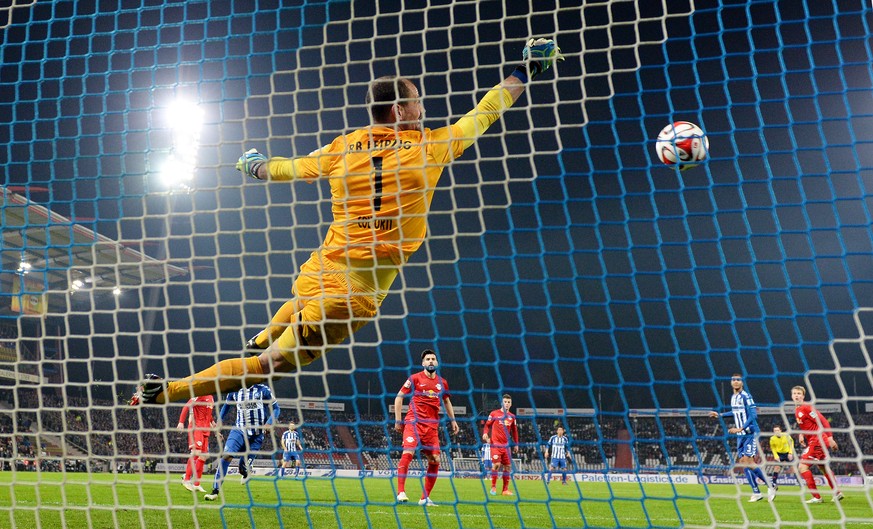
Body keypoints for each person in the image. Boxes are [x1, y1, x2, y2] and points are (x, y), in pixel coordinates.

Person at [129, 38, 564, 405]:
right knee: (268, 369)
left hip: (322, 266)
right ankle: (169, 391)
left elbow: (293, 168)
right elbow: (485, 112)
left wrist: (258, 167)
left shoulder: (343, 147)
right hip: (354, 292)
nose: (422, 106)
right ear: (398, 110)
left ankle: (264, 334)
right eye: (416, 101)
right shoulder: (431, 148)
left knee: (295, 307)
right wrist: (525, 70)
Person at [393, 349, 459, 507]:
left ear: (437, 363)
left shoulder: (442, 383)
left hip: (431, 427)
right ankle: (400, 492)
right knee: (408, 452)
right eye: (428, 359)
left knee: (435, 460)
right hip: (413, 422)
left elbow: (447, 402)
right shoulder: (415, 378)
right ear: (423, 363)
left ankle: (424, 498)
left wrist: (453, 420)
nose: (430, 361)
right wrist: (398, 420)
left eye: (433, 359)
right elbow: (399, 396)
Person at [204, 383, 280, 501]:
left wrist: (269, 422)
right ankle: (215, 491)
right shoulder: (235, 390)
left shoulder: (263, 390)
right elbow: (226, 405)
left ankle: (245, 471)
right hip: (239, 430)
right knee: (226, 456)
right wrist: (219, 420)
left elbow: (276, 408)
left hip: (257, 435)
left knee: (242, 468)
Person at [708, 374, 774, 502]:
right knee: (744, 463)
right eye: (733, 380)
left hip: (750, 432)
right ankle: (756, 492)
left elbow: (753, 415)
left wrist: (741, 428)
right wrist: (720, 415)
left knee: (749, 462)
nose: (736, 382)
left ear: (742, 383)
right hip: (740, 435)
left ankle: (770, 485)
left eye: (738, 380)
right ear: (731, 382)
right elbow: (735, 412)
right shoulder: (734, 397)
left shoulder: (746, 396)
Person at [791, 385, 843, 503]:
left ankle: (817, 497)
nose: (796, 395)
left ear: (803, 396)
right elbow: (806, 425)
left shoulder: (806, 407)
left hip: (818, 440)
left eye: (799, 393)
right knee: (823, 467)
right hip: (815, 440)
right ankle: (837, 493)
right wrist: (801, 434)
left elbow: (822, 420)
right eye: (794, 393)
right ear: (792, 396)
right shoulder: (797, 409)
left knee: (802, 467)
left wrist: (830, 438)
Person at [177, 395, 216, 492]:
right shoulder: (199, 395)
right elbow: (186, 406)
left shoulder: (211, 397)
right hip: (197, 427)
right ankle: (186, 479)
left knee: (204, 456)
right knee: (196, 453)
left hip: (206, 430)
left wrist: (213, 422)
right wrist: (181, 422)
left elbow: (208, 412)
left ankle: (196, 484)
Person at [483, 394, 519, 496]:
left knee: (507, 467)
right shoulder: (494, 414)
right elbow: (487, 425)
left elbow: (515, 432)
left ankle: (505, 490)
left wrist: (516, 444)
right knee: (497, 464)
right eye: (505, 402)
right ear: (501, 403)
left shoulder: (512, 417)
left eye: (508, 402)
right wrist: (485, 433)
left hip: (506, 446)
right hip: (495, 444)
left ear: (511, 404)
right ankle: (493, 487)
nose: (506, 404)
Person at [768, 424, 794, 491]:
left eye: (778, 430)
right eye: (775, 431)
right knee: (776, 468)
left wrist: (790, 453)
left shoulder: (786, 435)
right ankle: (774, 483)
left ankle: (801, 482)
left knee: (794, 468)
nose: (776, 432)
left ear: (780, 430)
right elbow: (773, 448)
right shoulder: (772, 439)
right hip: (779, 454)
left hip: (788, 453)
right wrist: (776, 456)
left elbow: (791, 443)